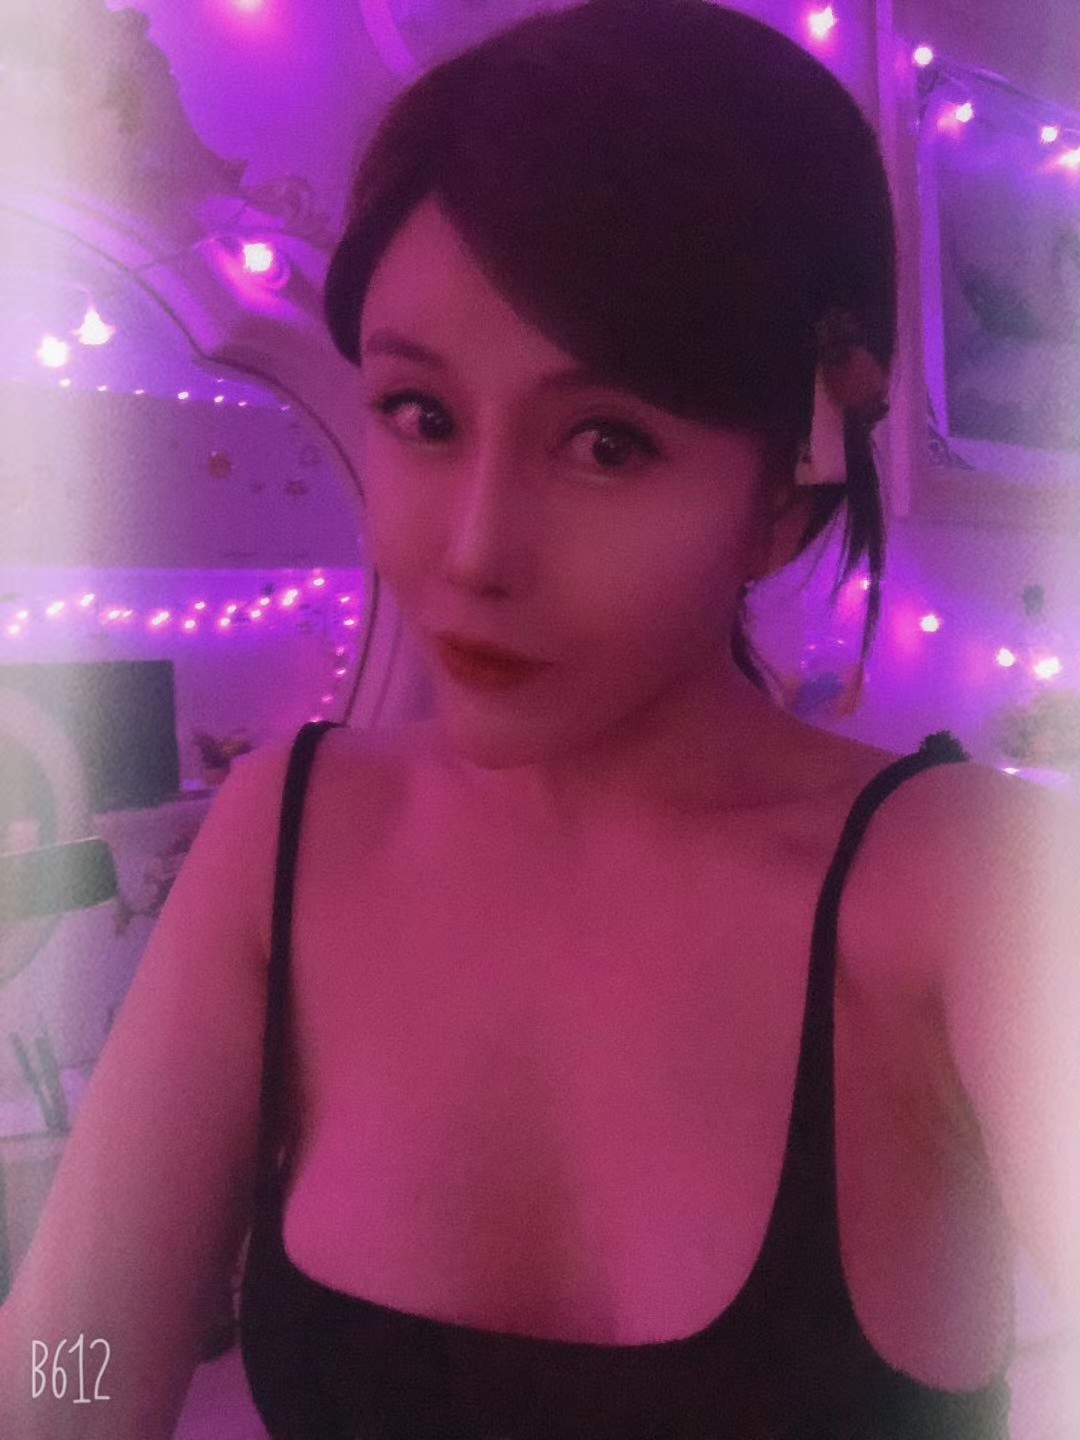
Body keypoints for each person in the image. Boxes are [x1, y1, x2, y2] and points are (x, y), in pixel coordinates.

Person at [1, 1, 1077, 1435]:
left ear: (787, 486)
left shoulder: (962, 882)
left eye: (605, 443)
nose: (473, 550)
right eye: (421, 415)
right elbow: (66, 1367)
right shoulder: (289, 836)